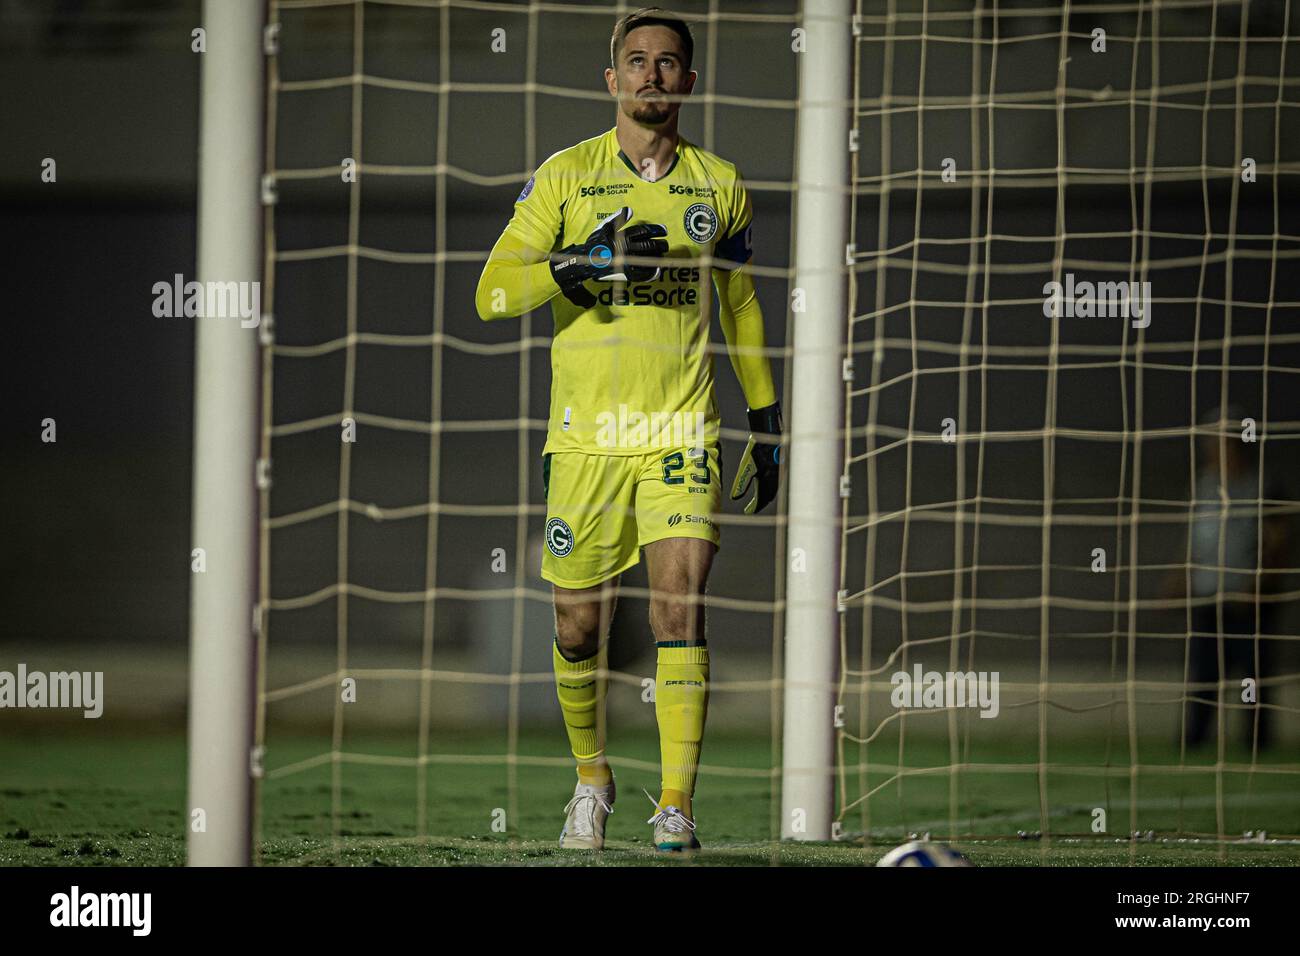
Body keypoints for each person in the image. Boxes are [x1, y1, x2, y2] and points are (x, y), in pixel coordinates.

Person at [474, 7, 781, 852]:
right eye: (636, 62)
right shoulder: (567, 177)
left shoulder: (719, 183)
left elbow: (742, 305)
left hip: (682, 432)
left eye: (668, 62)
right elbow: (491, 294)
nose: (651, 74)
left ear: (689, 80)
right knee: (579, 626)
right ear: (612, 81)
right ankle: (592, 779)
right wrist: (581, 265)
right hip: (582, 441)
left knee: (680, 607)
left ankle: (675, 804)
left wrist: (767, 419)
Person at [1179, 407, 1287, 750]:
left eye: (1220, 443)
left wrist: (1257, 585)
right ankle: (1193, 742)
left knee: (1251, 674)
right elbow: (1195, 541)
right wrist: (1177, 579)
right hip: (1209, 596)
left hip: (1248, 599)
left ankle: (1256, 744)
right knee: (1203, 673)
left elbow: (1277, 540)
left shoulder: (1263, 487)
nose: (1213, 452)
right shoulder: (1206, 487)